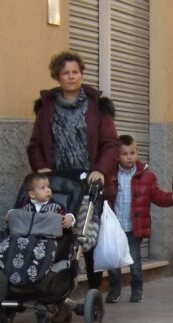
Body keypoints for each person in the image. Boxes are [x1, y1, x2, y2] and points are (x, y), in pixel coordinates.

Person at [27, 50, 119, 292]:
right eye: (66, 73)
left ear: (81, 74)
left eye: (75, 72)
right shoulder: (46, 108)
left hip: (88, 181)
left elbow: (111, 143)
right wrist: (42, 168)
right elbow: (35, 144)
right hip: (57, 183)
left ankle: (94, 289)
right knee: (60, 234)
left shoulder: (97, 106)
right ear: (57, 76)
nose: (71, 76)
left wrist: (100, 170)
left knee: (87, 235)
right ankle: (60, 290)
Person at [106, 134, 173, 304]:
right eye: (125, 154)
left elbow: (158, 196)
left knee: (134, 260)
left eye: (132, 152)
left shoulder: (146, 176)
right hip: (114, 228)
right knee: (114, 261)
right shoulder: (110, 175)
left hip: (134, 227)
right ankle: (114, 289)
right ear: (117, 155)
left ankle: (137, 289)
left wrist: (172, 198)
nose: (129, 157)